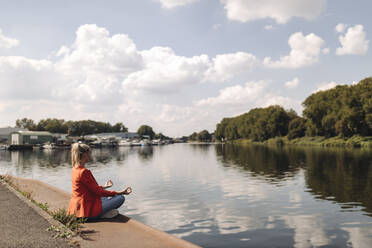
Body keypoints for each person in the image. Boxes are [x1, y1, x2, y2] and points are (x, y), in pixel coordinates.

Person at [68, 143, 132, 220]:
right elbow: (99, 192)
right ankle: (101, 215)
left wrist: (105, 187)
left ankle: (103, 212)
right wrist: (120, 192)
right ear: (85, 155)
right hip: (86, 213)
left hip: (77, 208)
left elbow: (88, 189)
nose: (90, 156)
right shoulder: (84, 172)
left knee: (105, 198)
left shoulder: (74, 169)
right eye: (89, 154)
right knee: (120, 198)